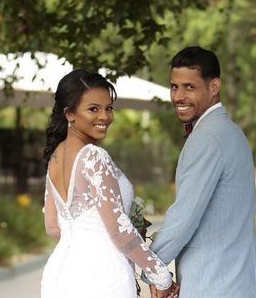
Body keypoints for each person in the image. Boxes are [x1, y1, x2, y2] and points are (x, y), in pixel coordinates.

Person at [144, 46, 256, 298]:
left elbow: (184, 217)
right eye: (174, 87)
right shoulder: (231, 132)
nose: (178, 96)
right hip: (239, 283)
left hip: (214, 284)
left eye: (189, 87)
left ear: (214, 87)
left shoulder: (208, 137)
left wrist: (152, 268)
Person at [41, 69, 180, 298]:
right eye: (93, 109)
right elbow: (119, 232)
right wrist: (161, 276)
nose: (105, 116)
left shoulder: (56, 156)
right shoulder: (93, 157)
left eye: (109, 108)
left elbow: (53, 227)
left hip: (61, 275)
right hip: (101, 276)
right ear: (69, 114)